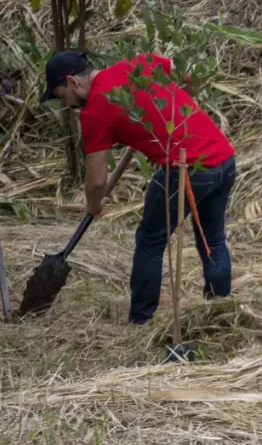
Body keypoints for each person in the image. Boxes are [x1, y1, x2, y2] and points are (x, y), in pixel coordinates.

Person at [42, 51, 237, 324]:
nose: (67, 104)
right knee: (212, 239)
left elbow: (97, 180)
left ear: (73, 82)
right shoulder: (138, 63)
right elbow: (195, 73)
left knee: (150, 241)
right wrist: (178, 111)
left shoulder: (96, 110)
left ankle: (140, 320)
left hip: (186, 168)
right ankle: (221, 310)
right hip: (224, 160)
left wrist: (93, 205)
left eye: (62, 96)